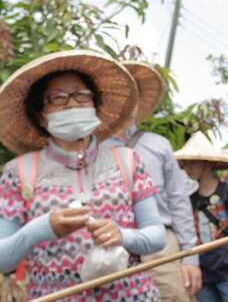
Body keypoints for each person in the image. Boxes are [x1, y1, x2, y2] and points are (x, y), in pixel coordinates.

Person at [0, 50, 166, 300]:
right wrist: (43, 228)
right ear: (41, 116)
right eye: (58, 98)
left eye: (81, 95)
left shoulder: (127, 160)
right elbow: (3, 259)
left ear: (96, 106)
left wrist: (123, 235)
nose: (72, 103)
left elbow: (157, 234)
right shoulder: (19, 172)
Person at [102, 61, 202, 301]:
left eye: (132, 94)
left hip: (162, 248)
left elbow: (179, 202)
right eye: (120, 94)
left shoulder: (159, 145)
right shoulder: (91, 149)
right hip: (109, 246)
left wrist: (190, 257)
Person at [175, 132, 228, 302]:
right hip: (204, 275)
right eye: (185, 163)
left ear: (206, 163)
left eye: (192, 162)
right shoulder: (191, 200)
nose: (187, 168)